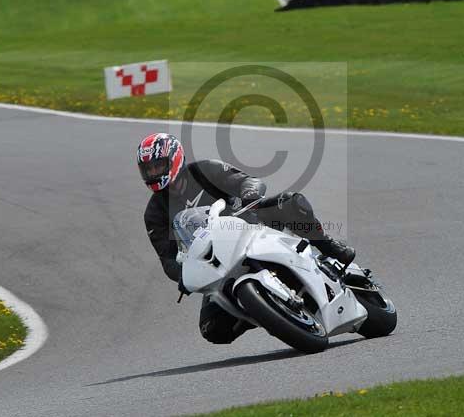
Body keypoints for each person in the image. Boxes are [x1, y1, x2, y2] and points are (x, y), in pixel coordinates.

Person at [137, 132, 355, 344]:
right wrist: (183, 276)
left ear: (174, 159)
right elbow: (167, 258)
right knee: (213, 330)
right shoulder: (154, 213)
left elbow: (247, 181)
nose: (154, 172)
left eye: (158, 165)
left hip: (249, 225)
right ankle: (262, 310)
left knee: (291, 202)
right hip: (216, 260)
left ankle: (328, 246)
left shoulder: (204, 170)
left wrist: (249, 193)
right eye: (148, 169)